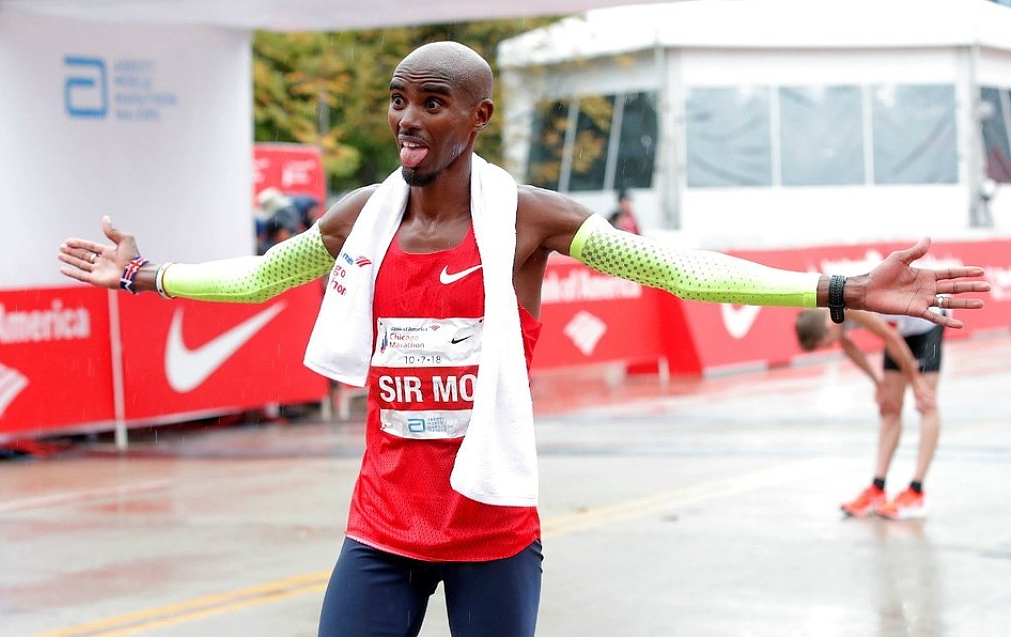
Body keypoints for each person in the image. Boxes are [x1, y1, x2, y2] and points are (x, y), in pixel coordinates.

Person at [58, 41, 988, 637]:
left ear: (478, 116)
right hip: (382, 527)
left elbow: (678, 269)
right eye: (398, 100)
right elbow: (259, 277)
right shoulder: (357, 221)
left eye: (432, 102)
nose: (407, 119)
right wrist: (143, 275)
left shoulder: (528, 220)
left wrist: (836, 288)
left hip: (492, 527)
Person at [795, 307, 947, 520]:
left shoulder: (848, 307)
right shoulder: (831, 316)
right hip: (899, 330)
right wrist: (879, 385)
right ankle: (877, 488)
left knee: (926, 403)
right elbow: (850, 346)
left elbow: (890, 338)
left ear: (829, 326)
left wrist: (916, 382)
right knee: (889, 406)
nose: (831, 346)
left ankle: (916, 491)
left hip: (927, 322)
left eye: (827, 343)